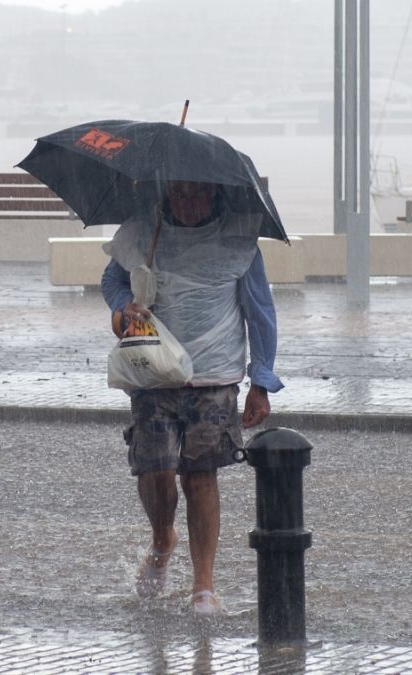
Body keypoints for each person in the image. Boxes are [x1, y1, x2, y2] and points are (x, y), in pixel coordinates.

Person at [99, 179, 283, 617]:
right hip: (154, 370)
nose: (189, 202)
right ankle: (163, 538)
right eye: (179, 193)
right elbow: (113, 279)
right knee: (155, 471)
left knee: (200, 477)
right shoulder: (144, 232)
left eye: (198, 193)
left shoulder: (238, 242)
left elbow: (260, 312)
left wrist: (260, 381)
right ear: (166, 193)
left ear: (215, 194)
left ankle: (204, 585)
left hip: (214, 377)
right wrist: (124, 306)